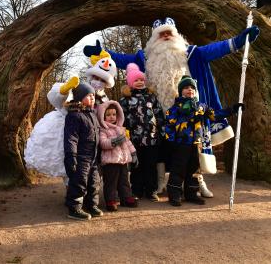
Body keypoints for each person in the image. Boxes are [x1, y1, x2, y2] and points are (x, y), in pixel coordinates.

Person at [84, 17, 260, 197]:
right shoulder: (144, 58)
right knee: (160, 150)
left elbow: (216, 49)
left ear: (176, 35)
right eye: (162, 34)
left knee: (194, 149)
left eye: (170, 33)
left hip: (189, 113)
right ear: (154, 39)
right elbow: (122, 60)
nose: (166, 36)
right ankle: (160, 183)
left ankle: (198, 182)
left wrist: (239, 40)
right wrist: (102, 53)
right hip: (158, 115)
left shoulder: (191, 53)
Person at [165, 75, 243, 206]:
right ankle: (174, 194)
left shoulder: (201, 106)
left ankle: (191, 193)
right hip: (181, 143)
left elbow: (215, 115)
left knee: (194, 169)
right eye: (186, 88)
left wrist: (232, 110)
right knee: (178, 169)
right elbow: (169, 125)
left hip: (197, 143)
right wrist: (171, 141)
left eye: (192, 88)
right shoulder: (175, 108)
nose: (189, 90)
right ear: (180, 91)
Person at [119, 63, 165, 201]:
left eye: (141, 80)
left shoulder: (152, 97)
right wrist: (124, 133)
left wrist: (162, 131)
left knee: (151, 165)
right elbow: (121, 119)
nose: (139, 82)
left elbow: (159, 115)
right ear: (130, 83)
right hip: (134, 139)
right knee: (136, 165)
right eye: (136, 80)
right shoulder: (125, 100)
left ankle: (151, 190)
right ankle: (136, 190)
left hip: (152, 138)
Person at [24, 75, 79, 182]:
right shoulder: (52, 120)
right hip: (60, 127)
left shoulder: (78, 115)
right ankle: (70, 187)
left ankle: (72, 188)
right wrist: (65, 90)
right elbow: (55, 99)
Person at [64, 82, 103, 220]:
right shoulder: (74, 116)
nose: (92, 98)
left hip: (93, 155)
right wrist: (71, 155)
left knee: (94, 182)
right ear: (80, 98)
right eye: (89, 95)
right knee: (79, 181)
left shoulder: (92, 114)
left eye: (93, 95)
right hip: (81, 156)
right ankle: (74, 208)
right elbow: (71, 138)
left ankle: (91, 205)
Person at [97, 100, 139, 212]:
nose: (112, 117)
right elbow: (103, 143)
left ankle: (126, 198)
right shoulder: (103, 130)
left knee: (124, 180)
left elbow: (128, 142)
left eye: (114, 114)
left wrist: (133, 153)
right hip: (110, 161)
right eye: (108, 115)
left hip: (123, 160)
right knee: (111, 182)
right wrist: (114, 141)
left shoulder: (121, 128)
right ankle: (110, 200)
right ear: (103, 116)